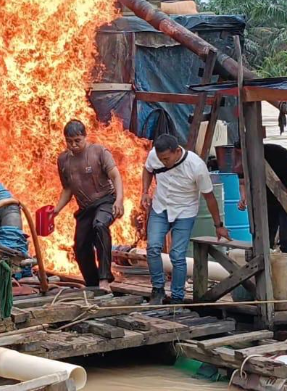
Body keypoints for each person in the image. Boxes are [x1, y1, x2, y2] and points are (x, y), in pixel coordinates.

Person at [141, 134, 230, 305]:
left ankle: (177, 296)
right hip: (160, 207)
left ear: (176, 151)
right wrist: (145, 191)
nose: (164, 162)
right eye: (161, 159)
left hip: (184, 211)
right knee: (152, 247)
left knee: (177, 255)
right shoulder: (155, 155)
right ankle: (158, 289)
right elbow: (148, 169)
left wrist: (218, 225)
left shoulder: (196, 166)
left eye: (166, 158)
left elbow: (209, 197)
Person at [54, 119, 124, 292]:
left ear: (85, 136)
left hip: (106, 200)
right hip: (85, 208)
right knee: (80, 246)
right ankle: (92, 283)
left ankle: (104, 279)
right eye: (69, 141)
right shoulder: (63, 160)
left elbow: (115, 176)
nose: (73, 145)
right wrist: (55, 211)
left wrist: (119, 200)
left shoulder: (99, 152)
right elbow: (68, 189)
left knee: (100, 226)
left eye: (77, 140)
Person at [234, 141, 287, 255]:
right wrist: (243, 197)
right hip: (266, 199)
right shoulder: (242, 161)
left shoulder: (278, 153)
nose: (242, 157)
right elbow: (242, 182)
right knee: (265, 236)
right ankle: (265, 265)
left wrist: (286, 195)